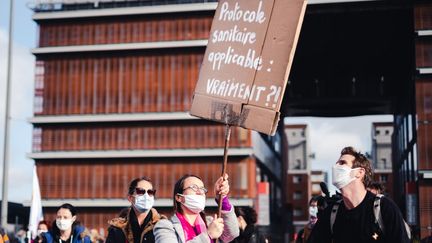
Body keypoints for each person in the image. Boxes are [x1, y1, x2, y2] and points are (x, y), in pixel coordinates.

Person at [307, 146, 410, 243]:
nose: (335, 167)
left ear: (359, 172)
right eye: (336, 163)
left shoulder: (384, 208)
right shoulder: (331, 214)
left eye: (342, 163)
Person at [154, 174, 239, 242]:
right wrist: (208, 235)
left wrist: (222, 198)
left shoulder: (209, 223)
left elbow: (232, 233)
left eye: (202, 189)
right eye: (194, 187)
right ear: (179, 197)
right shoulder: (166, 226)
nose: (200, 192)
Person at [106, 176, 165, 243]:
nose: (146, 196)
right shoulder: (117, 229)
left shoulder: (162, 226)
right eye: (140, 191)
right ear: (130, 198)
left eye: (150, 192)